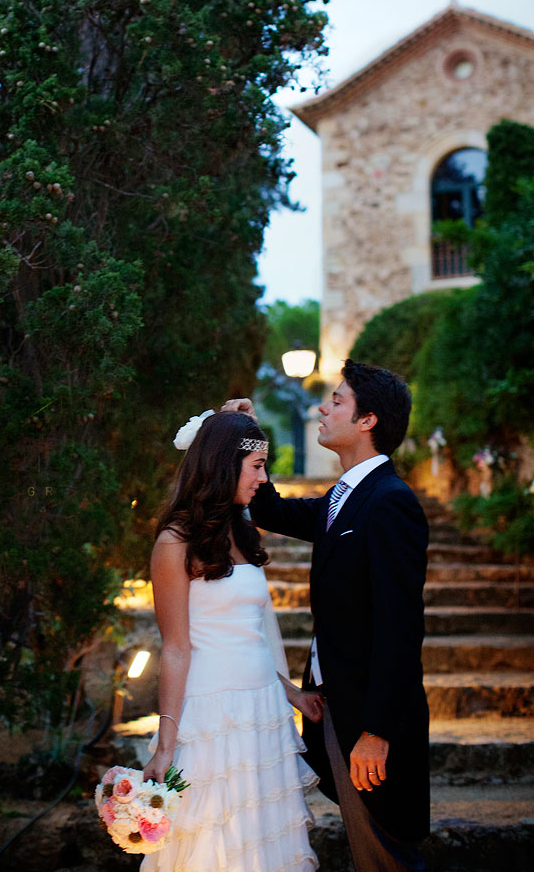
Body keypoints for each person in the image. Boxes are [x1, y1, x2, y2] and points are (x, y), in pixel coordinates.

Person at [224, 359, 430, 872]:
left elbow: (400, 628)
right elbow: (271, 511)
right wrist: (248, 441)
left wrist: (377, 732)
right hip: (335, 703)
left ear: (367, 421)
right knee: (369, 848)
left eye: (337, 400)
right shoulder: (345, 496)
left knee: (387, 853)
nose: (323, 406)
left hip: (370, 720)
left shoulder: (390, 503)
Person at [141, 410, 321, 872]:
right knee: (214, 843)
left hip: (262, 711)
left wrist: (292, 694)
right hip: (212, 715)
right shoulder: (174, 543)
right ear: (223, 465)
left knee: (263, 845)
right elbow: (177, 648)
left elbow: (250, 635)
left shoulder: (242, 531)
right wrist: (165, 745)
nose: (264, 477)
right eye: (257, 466)